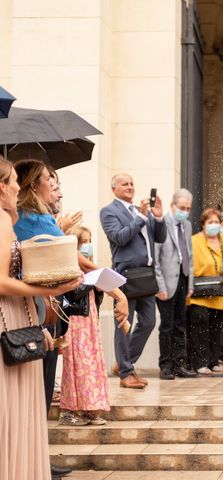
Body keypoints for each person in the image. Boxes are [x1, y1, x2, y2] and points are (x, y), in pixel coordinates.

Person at [0, 155, 83, 480]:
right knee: (15, 408)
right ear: (2, 187)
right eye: (13, 181)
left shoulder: (10, 218)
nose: (18, 186)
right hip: (11, 313)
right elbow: (2, 280)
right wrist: (51, 286)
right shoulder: (3, 220)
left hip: (20, 312)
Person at [100, 173, 166, 389]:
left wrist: (157, 217)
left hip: (146, 276)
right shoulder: (108, 212)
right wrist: (140, 218)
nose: (129, 186)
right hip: (125, 276)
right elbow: (119, 237)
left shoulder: (140, 211)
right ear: (114, 189)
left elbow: (160, 237)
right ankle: (126, 373)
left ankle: (123, 363)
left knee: (148, 322)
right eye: (124, 184)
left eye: (132, 183)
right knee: (124, 324)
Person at [58, 226, 129, 427]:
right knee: (77, 365)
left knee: (92, 363)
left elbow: (99, 284)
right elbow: (69, 293)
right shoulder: (69, 263)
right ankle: (70, 409)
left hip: (89, 320)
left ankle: (90, 408)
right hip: (75, 320)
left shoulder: (89, 269)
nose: (87, 245)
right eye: (83, 241)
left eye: (89, 240)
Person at [188, 208, 223, 375]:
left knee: (216, 329)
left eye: (216, 222)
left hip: (219, 293)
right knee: (200, 329)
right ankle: (200, 363)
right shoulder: (194, 241)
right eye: (210, 222)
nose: (214, 225)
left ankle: (213, 361)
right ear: (203, 225)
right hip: (199, 293)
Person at [154, 189, 198, 380]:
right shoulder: (161, 223)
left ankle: (180, 364)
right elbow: (155, 259)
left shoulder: (186, 225)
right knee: (167, 326)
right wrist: (160, 286)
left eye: (188, 208)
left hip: (182, 278)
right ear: (172, 206)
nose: (185, 211)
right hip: (166, 282)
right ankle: (166, 366)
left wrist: (190, 283)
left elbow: (189, 254)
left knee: (181, 324)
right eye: (182, 208)